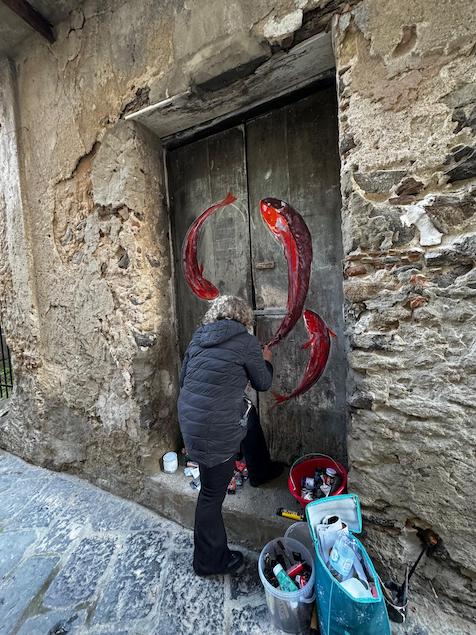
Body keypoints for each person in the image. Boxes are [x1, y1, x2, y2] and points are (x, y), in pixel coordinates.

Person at [178, 295, 283, 576]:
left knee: (248, 415)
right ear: (244, 318)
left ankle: (260, 470)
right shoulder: (247, 342)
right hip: (214, 429)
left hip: (192, 421)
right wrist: (266, 360)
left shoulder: (199, 337)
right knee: (211, 494)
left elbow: (184, 377)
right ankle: (209, 561)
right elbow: (262, 382)